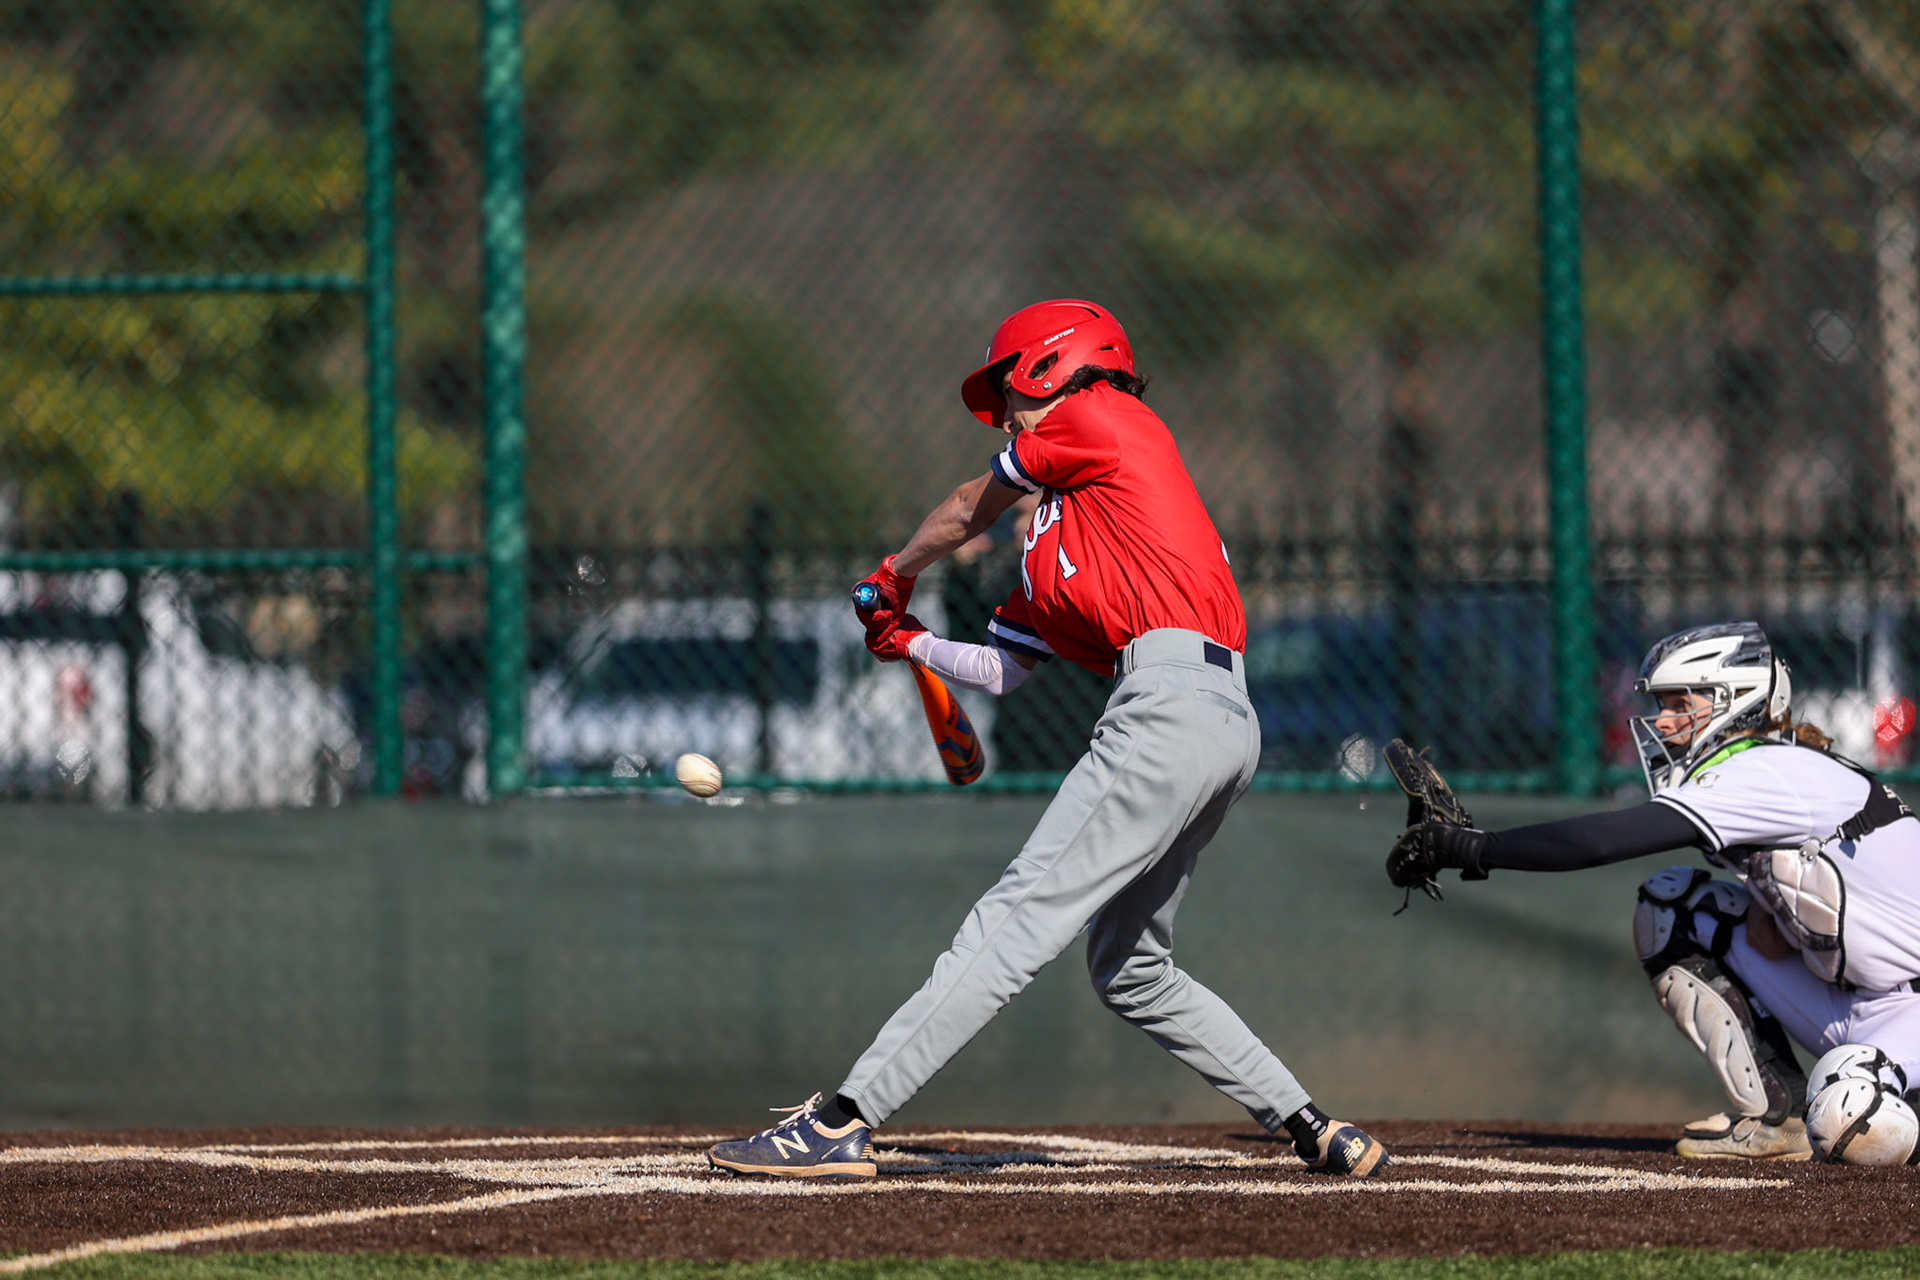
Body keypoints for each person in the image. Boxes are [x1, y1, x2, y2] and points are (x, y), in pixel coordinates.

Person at [707, 299, 1391, 1180]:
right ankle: (1313, 1125)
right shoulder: (1058, 544)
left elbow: (965, 507)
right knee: (1132, 969)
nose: (1009, 416)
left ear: (1055, 364)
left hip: (1171, 709)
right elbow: (1000, 670)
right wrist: (906, 639)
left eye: (1010, 392)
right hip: (1213, 722)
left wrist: (891, 574)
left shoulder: (1104, 415)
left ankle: (842, 1119)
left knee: (1014, 921)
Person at [1386, 621, 1920, 1163]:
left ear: (1734, 700)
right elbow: (1771, 939)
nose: (1662, 721)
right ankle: (1773, 1121)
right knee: (1674, 907)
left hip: (1910, 1008)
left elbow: (1599, 842)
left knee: (1854, 1118)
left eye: (1680, 703)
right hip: (1858, 999)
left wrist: (1468, 848)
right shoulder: (1765, 769)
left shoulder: (1765, 771)